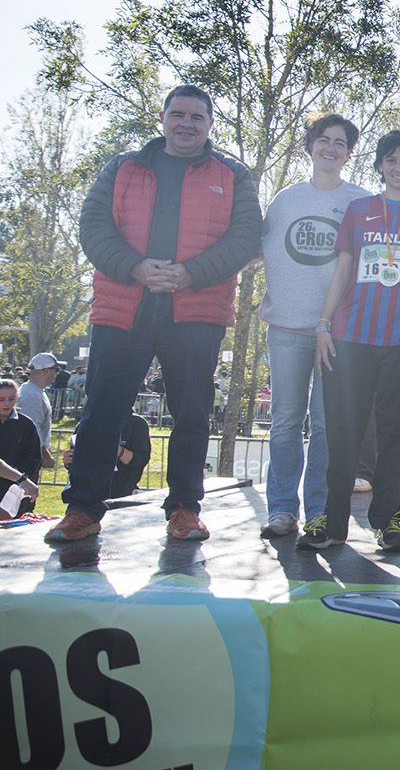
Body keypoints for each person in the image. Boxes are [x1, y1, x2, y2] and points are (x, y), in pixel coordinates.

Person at [46, 84, 262, 544]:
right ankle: (83, 508)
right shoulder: (122, 168)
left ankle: (184, 508)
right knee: (102, 410)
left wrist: (191, 274)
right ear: (162, 118)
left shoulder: (233, 174)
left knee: (192, 412)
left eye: (197, 117)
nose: (186, 124)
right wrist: (136, 268)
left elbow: (246, 237)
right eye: (177, 114)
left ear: (209, 124)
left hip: (196, 310)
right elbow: (93, 228)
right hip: (123, 308)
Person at [301, 129, 400, 552]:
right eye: (391, 160)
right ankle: (332, 522)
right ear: (379, 165)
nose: (399, 168)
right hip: (349, 339)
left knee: (393, 433)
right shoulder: (358, 209)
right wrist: (323, 324)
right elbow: (343, 268)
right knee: (341, 432)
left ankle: (387, 522)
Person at [257, 113, 369, 539]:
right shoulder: (285, 199)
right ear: (310, 146)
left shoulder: (361, 202)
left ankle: (319, 511)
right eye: (323, 140)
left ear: (349, 153)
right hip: (286, 328)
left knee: (326, 426)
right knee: (284, 421)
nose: (331, 148)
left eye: (340, 142)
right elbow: (258, 249)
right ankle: (281, 509)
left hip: (336, 334)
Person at [62, 411, 151, 499]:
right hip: (86, 493)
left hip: (122, 493)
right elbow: (74, 458)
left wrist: (119, 451)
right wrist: (68, 460)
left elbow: (141, 459)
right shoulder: (86, 421)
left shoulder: (136, 423)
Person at [0, 380, 43, 519]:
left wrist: (21, 480)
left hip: (15, 486)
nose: (6, 403)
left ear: (17, 397)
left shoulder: (26, 424)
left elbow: (34, 459)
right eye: (1, 399)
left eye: (11, 399)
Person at [19, 353, 60, 470]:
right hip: (26, 458)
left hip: (27, 456)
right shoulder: (33, 395)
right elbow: (32, 429)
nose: (56, 374)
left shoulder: (34, 391)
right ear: (46, 371)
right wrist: (46, 456)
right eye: (55, 370)